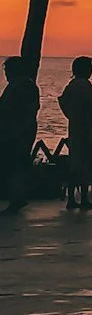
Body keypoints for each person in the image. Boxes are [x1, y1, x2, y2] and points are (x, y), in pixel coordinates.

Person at [59, 54, 92, 211]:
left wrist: (72, 115)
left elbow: (63, 102)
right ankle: (84, 198)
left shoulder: (71, 86)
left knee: (75, 164)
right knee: (86, 164)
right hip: (87, 130)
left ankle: (71, 198)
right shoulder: (86, 88)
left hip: (74, 128)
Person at [0, 56, 39, 215]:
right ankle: (18, 197)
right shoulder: (29, 86)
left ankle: (16, 199)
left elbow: (8, 109)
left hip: (14, 132)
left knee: (13, 166)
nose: (6, 74)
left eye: (7, 71)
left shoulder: (17, 87)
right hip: (24, 131)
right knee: (18, 165)